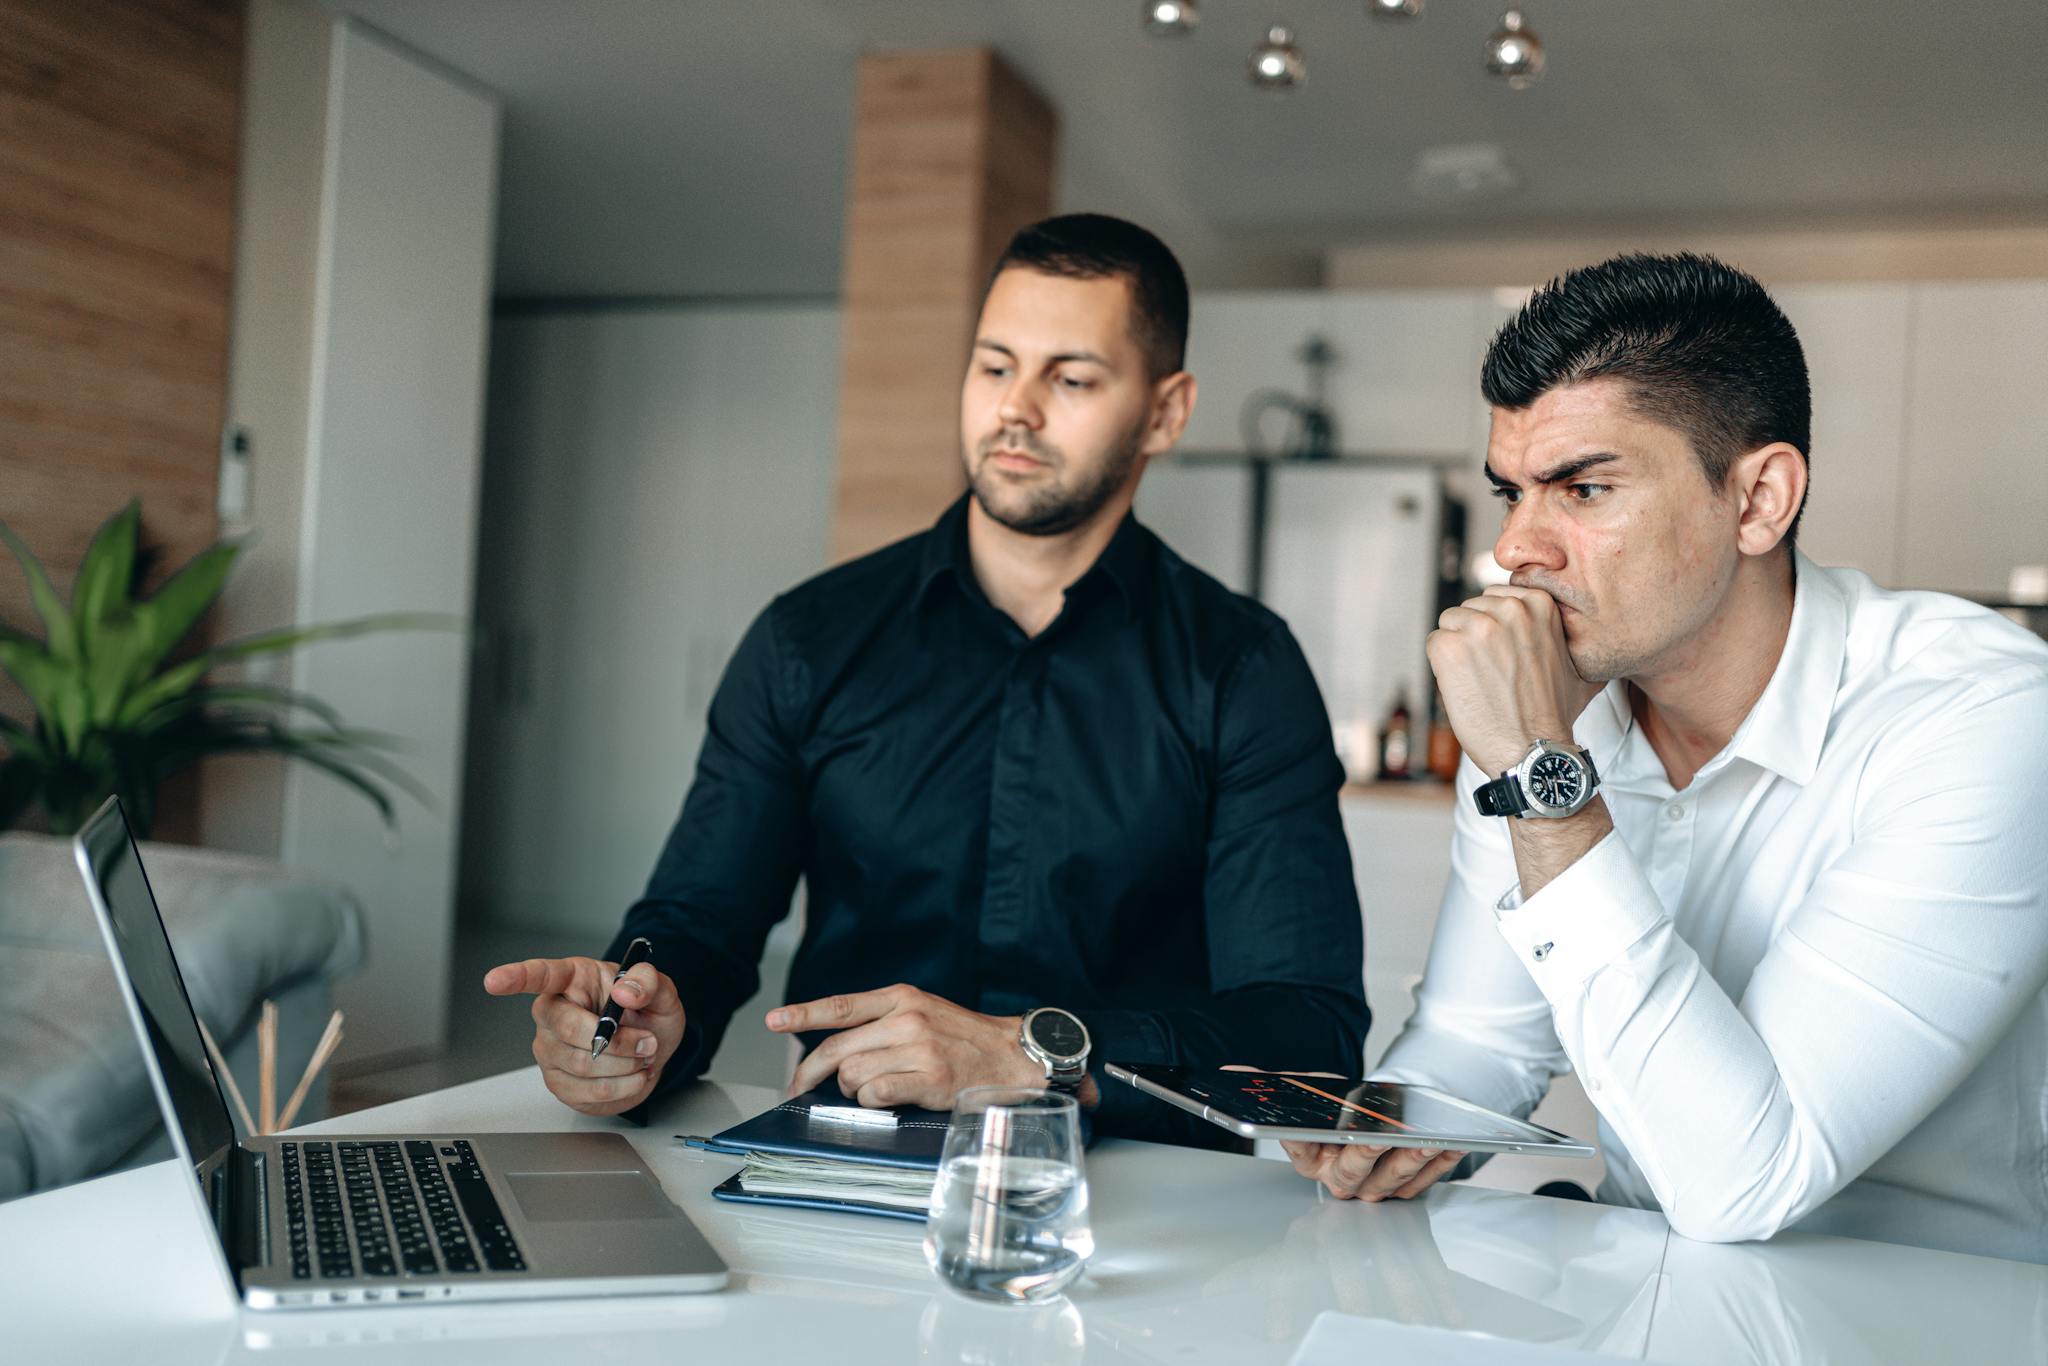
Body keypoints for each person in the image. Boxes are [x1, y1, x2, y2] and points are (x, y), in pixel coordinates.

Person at [484, 213, 1368, 1147]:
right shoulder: (807, 640)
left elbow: (1307, 1032)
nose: (1014, 409)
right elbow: (697, 922)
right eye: (994, 366)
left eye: (1069, 378)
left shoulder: (1243, 669)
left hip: (1139, 1202)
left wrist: (1037, 1058)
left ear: (1165, 410)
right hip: (839, 1171)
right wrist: (640, 1024)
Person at [1284, 252, 2048, 1264]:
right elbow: (1479, 1040)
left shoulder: (1981, 715)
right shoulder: (1547, 716)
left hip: (1920, 1315)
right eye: (1510, 491)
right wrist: (1384, 1129)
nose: (1515, 547)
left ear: (1756, 500)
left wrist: (1538, 772)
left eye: (1582, 488)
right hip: (1646, 1293)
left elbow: (1747, 1175)